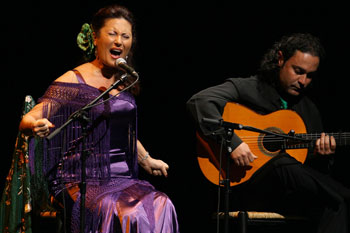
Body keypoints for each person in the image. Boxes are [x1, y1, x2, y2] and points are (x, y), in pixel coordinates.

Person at [19, 4, 179, 233]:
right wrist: (35, 124)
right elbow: (29, 118)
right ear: (95, 38)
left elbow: (118, 130)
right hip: (80, 178)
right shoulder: (74, 80)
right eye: (112, 34)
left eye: (125, 36)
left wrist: (146, 159)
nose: (119, 42)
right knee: (121, 210)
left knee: (162, 203)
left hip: (122, 177)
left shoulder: (125, 81)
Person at [187, 33, 350, 233]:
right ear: (280, 59)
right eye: (298, 71)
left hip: (288, 197)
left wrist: (320, 157)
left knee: (335, 203)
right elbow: (200, 102)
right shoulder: (252, 88)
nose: (303, 81)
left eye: (310, 76)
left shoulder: (309, 110)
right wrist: (231, 142)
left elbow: (311, 177)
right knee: (281, 162)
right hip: (244, 186)